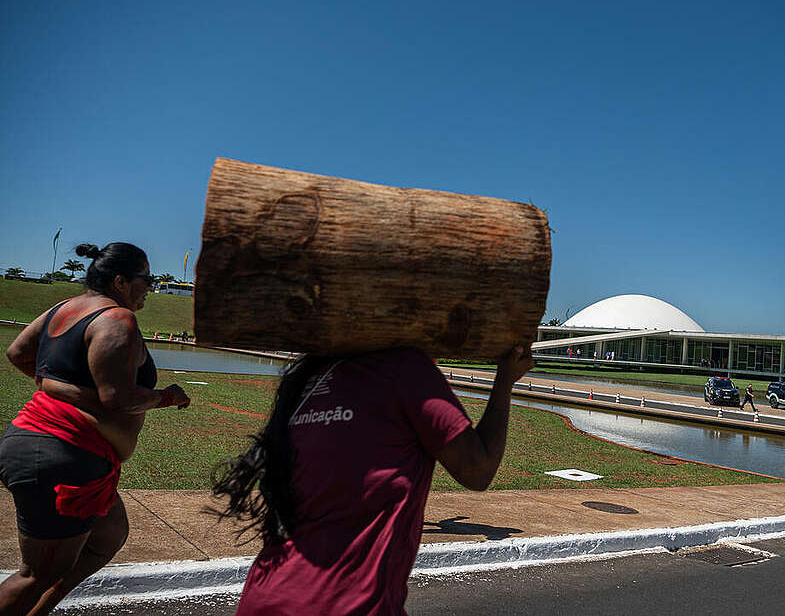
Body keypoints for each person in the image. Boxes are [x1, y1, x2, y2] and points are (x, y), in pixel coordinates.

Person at [212, 344, 534, 614]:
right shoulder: (406, 368)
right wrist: (504, 380)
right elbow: (478, 470)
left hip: (266, 595)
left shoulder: (309, 377)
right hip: (343, 605)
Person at [0, 242, 191, 615]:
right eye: (145, 279)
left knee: (109, 537)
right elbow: (117, 397)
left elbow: (18, 353)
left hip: (54, 449)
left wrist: (60, 390)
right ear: (120, 281)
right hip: (60, 456)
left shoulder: (64, 309)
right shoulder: (118, 319)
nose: (150, 287)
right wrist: (167, 397)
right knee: (38, 572)